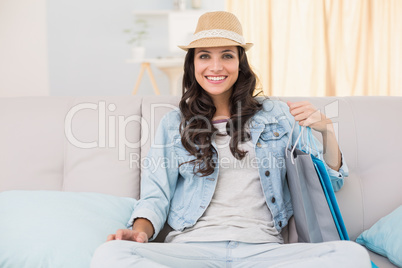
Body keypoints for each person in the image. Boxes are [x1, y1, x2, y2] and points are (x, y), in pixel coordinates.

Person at [91, 11, 370, 268]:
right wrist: (139, 233)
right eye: (204, 56)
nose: (216, 66)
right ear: (193, 64)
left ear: (239, 62)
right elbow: (156, 197)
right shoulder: (173, 124)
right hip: (192, 250)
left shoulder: (278, 115)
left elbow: (330, 183)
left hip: (263, 251)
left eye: (226, 55)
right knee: (109, 255)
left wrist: (327, 131)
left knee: (352, 255)